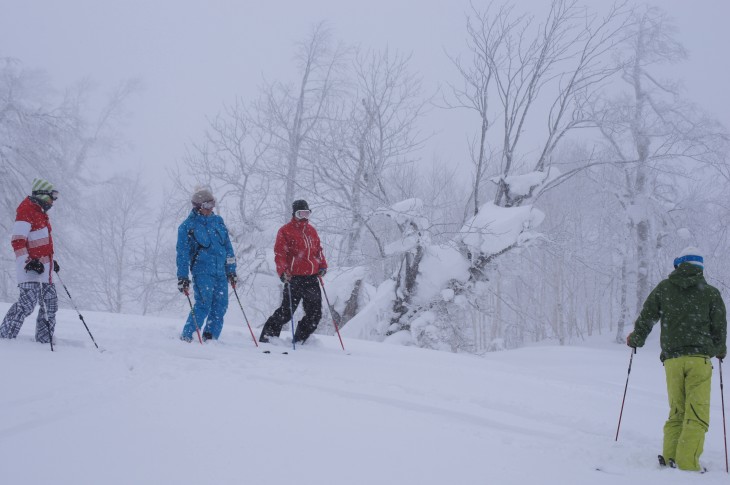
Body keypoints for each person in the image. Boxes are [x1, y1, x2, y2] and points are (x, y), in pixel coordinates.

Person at [627, 247, 727, 472]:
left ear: (678, 265)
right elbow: (719, 327)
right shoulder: (710, 293)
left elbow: (647, 316)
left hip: (672, 360)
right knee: (697, 413)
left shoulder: (664, 288)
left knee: (678, 411)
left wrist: (636, 339)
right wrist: (719, 349)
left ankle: (670, 456)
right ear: (700, 268)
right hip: (699, 360)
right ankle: (687, 464)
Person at [0, 178, 60, 344]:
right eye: (51, 197)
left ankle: (44, 339)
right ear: (41, 195)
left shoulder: (40, 212)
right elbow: (18, 241)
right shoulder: (26, 210)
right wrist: (28, 262)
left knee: (50, 304)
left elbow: (40, 241)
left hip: (44, 269)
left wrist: (51, 260)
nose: (52, 202)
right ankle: (4, 337)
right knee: (27, 304)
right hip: (29, 269)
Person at [259, 199, 327, 344]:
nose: (304, 216)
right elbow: (280, 254)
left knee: (315, 314)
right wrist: (283, 272)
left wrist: (322, 265)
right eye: (300, 213)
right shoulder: (285, 231)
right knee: (286, 312)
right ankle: (268, 336)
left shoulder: (311, 231)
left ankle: (301, 338)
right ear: (294, 213)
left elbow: (318, 251)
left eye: (307, 213)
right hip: (294, 279)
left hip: (311, 278)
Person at [176, 186, 237, 342]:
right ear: (198, 207)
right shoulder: (187, 227)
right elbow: (182, 254)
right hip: (203, 271)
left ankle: (210, 336)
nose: (211, 209)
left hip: (221, 272)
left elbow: (228, 247)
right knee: (204, 303)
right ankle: (188, 335)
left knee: (221, 305)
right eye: (207, 205)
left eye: (213, 204)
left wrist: (231, 269)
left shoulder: (218, 221)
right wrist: (183, 277)